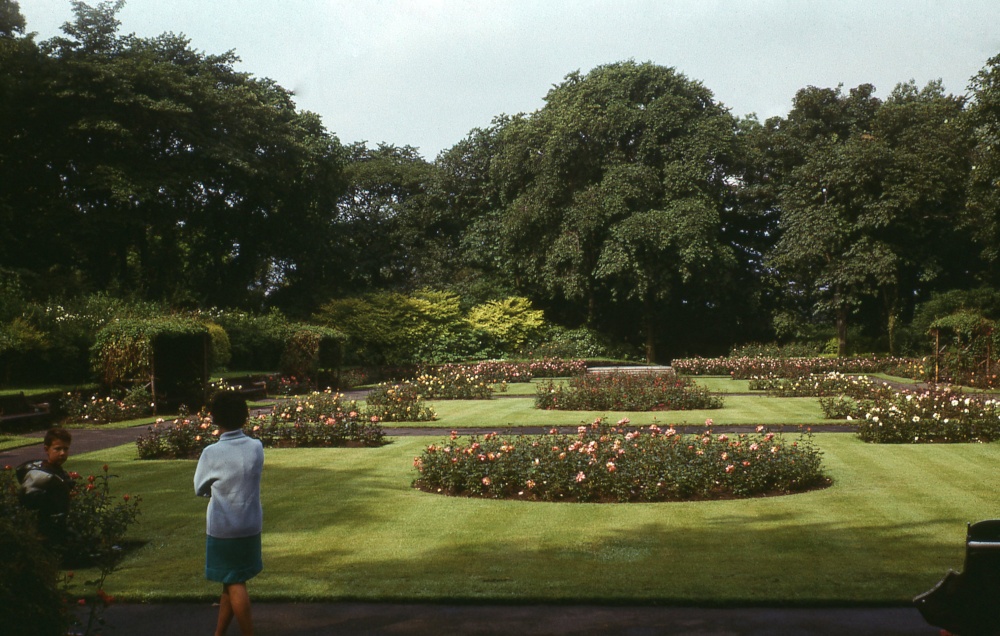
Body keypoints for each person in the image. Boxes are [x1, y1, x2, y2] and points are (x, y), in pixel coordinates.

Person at [194, 392, 264, 636]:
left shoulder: (211, 453)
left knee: (235, 583)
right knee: (231, 581)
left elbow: (199, 488)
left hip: (224, 526)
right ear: (244, 416)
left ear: (215, 418)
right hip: (250, 524)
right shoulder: (256, 447)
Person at [17, 427, 75, 545]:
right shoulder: (38, 475)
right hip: (44, 534)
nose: (62, 453)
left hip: (58, 529)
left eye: (65, 449)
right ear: (46, 449)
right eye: (57, 449)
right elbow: (27, 504)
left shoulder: (58, 472)